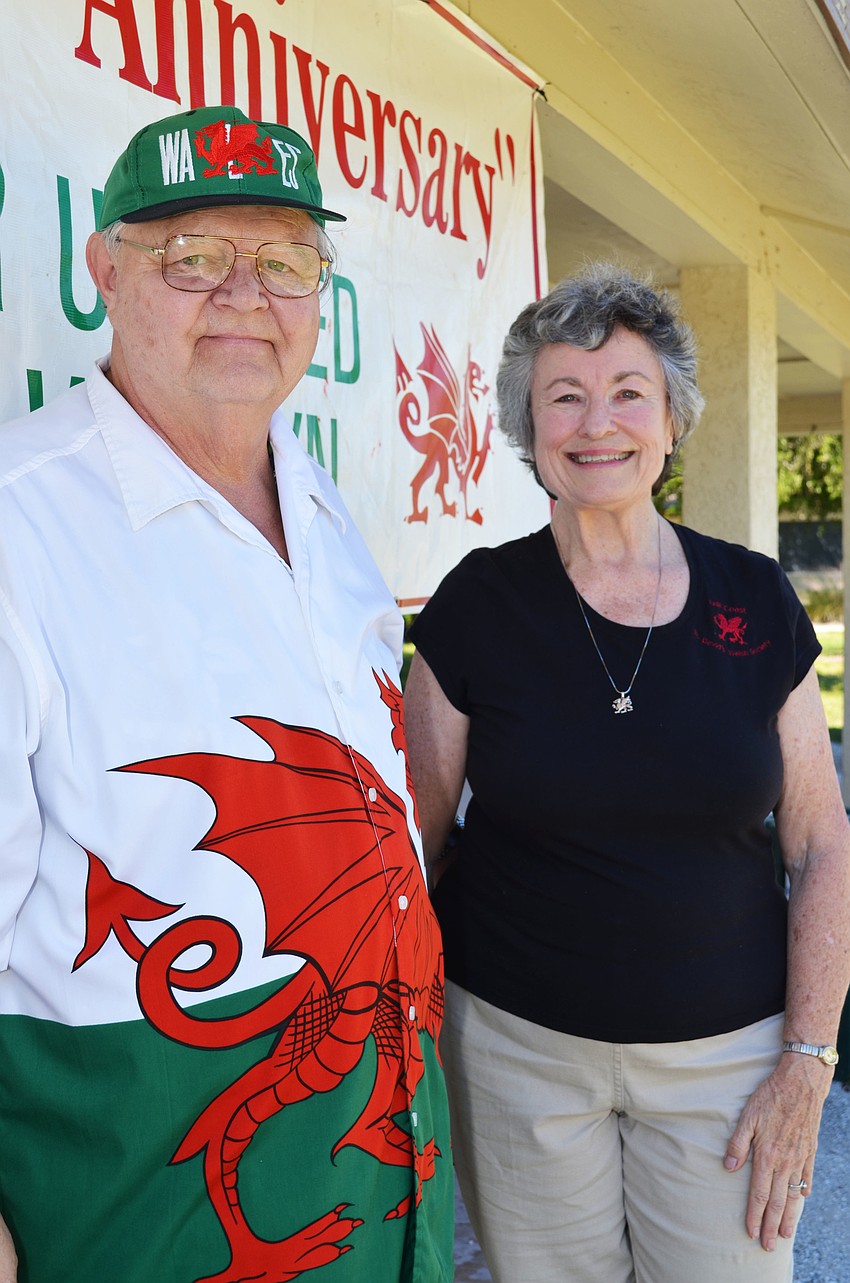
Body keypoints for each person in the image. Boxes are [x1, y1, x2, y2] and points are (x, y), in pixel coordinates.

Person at [0, 105, 452, 1283]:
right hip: (140, 1217)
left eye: (285, 262)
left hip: (377, 1196)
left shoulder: (324, 506)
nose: (246, 293)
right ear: (104, 271)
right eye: (193, 256)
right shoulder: (17, 527)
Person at [405, 263, 850, 1283]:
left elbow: (822, 840)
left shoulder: (754, 597)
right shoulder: (479, 602)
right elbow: (414, 840)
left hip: (726, 1061)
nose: (594, 421)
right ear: (529, 424)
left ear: (670, 417)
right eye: (563, 394)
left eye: (626, 392)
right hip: (515, 1050)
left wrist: (808, 1060)